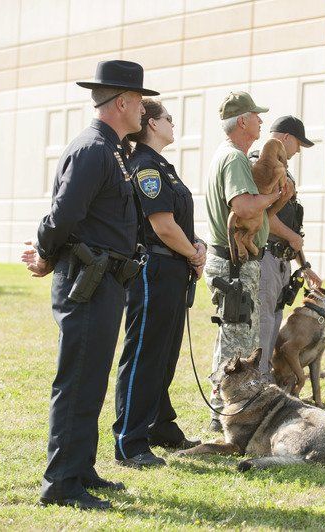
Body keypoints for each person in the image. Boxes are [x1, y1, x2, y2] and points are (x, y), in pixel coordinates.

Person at [21, 60, 157, 510]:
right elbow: (62, 217)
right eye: (139, 101)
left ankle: (80, 469)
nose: (144, 109)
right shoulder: (92, 150)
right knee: (77, 381)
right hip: (86, 281)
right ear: (121, 102)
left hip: (105, 282)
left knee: (91, 380)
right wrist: (44, 254)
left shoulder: (113, 149)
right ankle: (60, 483)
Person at [112, 99, 206, 468]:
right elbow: (162, 226)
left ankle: (159, 426)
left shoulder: (163, 167)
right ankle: (129, 440)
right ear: (151, 123)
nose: (173, 123)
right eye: (168, 118)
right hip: (154, 271)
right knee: (145, 356)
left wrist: (196, 245)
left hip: (174, 269)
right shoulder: (145, 167)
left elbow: (179, 221)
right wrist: (193, 254)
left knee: (164, 355)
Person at [204, 91, 289, 432]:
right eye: (256, 116)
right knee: (238, 346)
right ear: (242, 121)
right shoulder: (236, 159)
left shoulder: (223, 155)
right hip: (235, 264)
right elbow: (243, 207)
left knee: (231, 338)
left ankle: (219, 411)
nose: (261, 122)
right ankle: (224, 417)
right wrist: (275, 195)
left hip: (228, 260)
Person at [250, 116, 322, 378]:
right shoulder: (261, 164)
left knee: (274, 321)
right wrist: (292, 237)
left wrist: (305, 266)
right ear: (286, 139)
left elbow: (292, 225)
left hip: (281, 259)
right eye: (298, 144)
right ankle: (258, 381)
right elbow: (264, 216)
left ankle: (265, 379)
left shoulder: (283, 169)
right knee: (264, 323)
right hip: (265, 255)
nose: (298, 150)